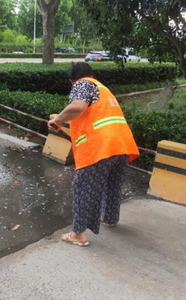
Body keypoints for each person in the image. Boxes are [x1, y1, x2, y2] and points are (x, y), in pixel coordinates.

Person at [48, 62, 140, 247]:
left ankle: (78, 234)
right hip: (121, 145)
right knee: (112, 183)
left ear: (72, 81)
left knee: (82, 186)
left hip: (100, 147)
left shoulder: (82, 85)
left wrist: (57, 120)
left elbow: (77, 107)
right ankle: (109, 218)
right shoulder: (103, 88)